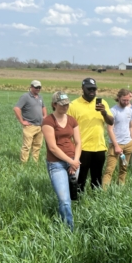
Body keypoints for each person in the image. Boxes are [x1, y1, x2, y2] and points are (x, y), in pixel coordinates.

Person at [42, 92, 81, 229]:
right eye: (62, 104)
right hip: (56, 164)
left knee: (70, 197)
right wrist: (71, 162)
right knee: (64, 200)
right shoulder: (48, 121)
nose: (65, 107)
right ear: (54, 104)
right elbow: (52, 147)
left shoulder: (72, 120)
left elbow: (78, 142)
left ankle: (62, 222)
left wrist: (75, 161)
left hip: (73, 161)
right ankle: (70, 230)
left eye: (67, 104)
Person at [68, 78, 113, 192]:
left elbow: (111, 121)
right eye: (89, 89)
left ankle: (95, 201)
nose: (92, 91)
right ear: (83, 88)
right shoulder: (73, 105)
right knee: (80, 179)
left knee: (97, 179)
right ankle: (78, 201)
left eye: (94, 89)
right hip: (82, 148)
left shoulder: (102, 103)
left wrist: (104, 112)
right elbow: (68, 127)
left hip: (99, 147)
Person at [102, 88, 132, 186]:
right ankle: (103, 193)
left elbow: (131, 126)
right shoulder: (112, 111)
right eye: (124, 100)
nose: (126, 102)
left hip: (128, 144)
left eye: (128, 100)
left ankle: (121, 187)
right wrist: (116, 146)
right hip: (115, 145)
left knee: (124, 168)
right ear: (118, 98)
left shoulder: (130, 111)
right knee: (109, 170)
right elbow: (109, 129)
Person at [13, 80, 47, 163]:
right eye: (36, 87)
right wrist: (22, 121)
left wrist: (45, 115)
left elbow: (43, 107)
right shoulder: (25, 96)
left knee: (37, 145)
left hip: (40, 126)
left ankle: (34, 162)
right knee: (26, 146)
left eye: (39, 87)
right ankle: (23, 164)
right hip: (29, 126)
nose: (38, 89)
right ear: (31, 87)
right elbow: (16, 108)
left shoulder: (40, 97)